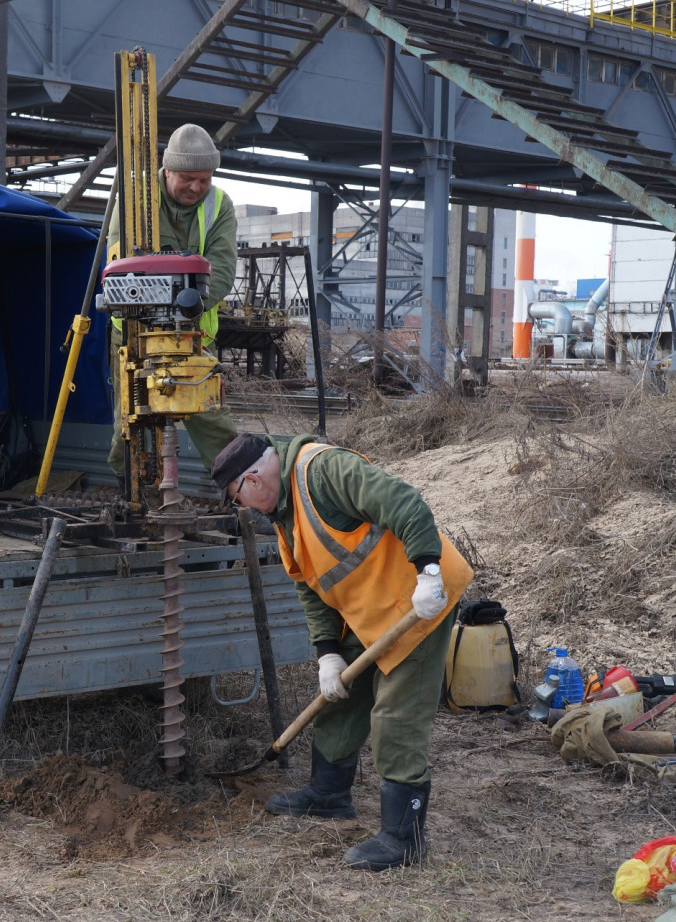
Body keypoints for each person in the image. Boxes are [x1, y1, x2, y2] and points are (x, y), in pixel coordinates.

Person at [211, 431, 473, 871]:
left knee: (396, 716)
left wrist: (428, 571)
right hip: (369, 612)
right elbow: (312, 589)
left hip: (419, 600)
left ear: (252, 483)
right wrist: (328, 654)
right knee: (337, 701)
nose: (243, 507)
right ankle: (328, 795)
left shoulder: (323, 471)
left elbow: (404, 502)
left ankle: (402, 839)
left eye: (237, 497)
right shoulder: (284, 516)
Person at [106, 122, 239, 477]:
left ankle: (239, 490)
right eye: (188, 178)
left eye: (204, 180)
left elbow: (222, 268)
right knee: (132, 417)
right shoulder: (135, 200)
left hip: (191, 333)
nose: (196, 187)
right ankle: (130, 490)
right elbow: (121, 265)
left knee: (210, 414)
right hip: (134, 333)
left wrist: (186, 308)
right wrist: (163, 307)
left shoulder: (220, 205)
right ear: (168, 171)